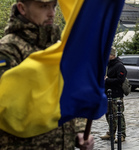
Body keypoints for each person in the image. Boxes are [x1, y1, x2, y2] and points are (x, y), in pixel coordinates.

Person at [0, 0, 93, 149]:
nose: (51, 13)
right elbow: (9, 108)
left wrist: (79, 131)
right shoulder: (8, 49)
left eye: (54, 6)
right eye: (43, 6)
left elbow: (69, 96)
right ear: (22, 8)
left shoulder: (56, 48)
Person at [100, 46, 127, 143]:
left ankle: (122, 134)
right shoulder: (108, 65)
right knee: (108, 114)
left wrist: (107, 80)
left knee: (118, 115)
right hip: (107, 94)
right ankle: (111, 133)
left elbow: (120, 80)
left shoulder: (119, 65)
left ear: (112, 55)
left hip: (116, 94)